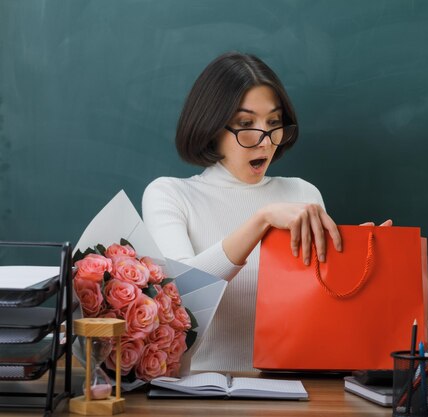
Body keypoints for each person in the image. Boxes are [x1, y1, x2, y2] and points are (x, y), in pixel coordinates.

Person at [143, 51, 390, 372]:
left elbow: (319, 313)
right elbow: (182, 293)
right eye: (246, 124)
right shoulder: (169, 194)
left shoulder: (303, 194)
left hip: (293, 388)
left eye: (274, 123)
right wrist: (261, 220)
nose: (265, 141)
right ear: (212, 127)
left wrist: (362, 263)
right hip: (200, 390)